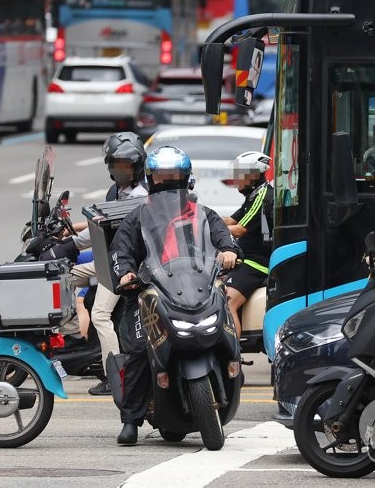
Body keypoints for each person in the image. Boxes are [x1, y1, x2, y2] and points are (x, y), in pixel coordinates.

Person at [110, 146, 241, 446]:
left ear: (186, 177)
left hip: (198, 286)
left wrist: (230, 251)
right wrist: (126, 274)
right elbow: (121, 252)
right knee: (141, 349)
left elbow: (223, 237)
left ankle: (231, 370)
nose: (169, 181)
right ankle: (130, 419)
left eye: (175, 176)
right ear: (151, 178)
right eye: (162, 176)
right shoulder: (139, 216)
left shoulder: (202, 214)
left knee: (225, 325)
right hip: (151, 291)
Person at [47, 132, 149, 396]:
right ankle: (70, 335)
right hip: (105, 260)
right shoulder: (116, 191)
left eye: (126, 165)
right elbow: (99, 222)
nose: (120, 171)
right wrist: (66, 241)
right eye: (115, 166)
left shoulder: (141, 196)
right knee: (60, 276)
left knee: (100, 315)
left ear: (138, 166)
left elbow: (102, 229)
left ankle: (115, 376)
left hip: (127, 267)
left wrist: (72, 244)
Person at [221, 151, 274, 338]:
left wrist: (213, 230)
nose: (236, 179)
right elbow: (231, 220)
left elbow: (240, 229)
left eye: (240, 174)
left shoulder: (263, 196)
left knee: (227, 303)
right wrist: (204, 217)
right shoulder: (253, 196)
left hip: (256, 263)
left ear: (254, 175)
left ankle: (232, 357)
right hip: (246, 259)